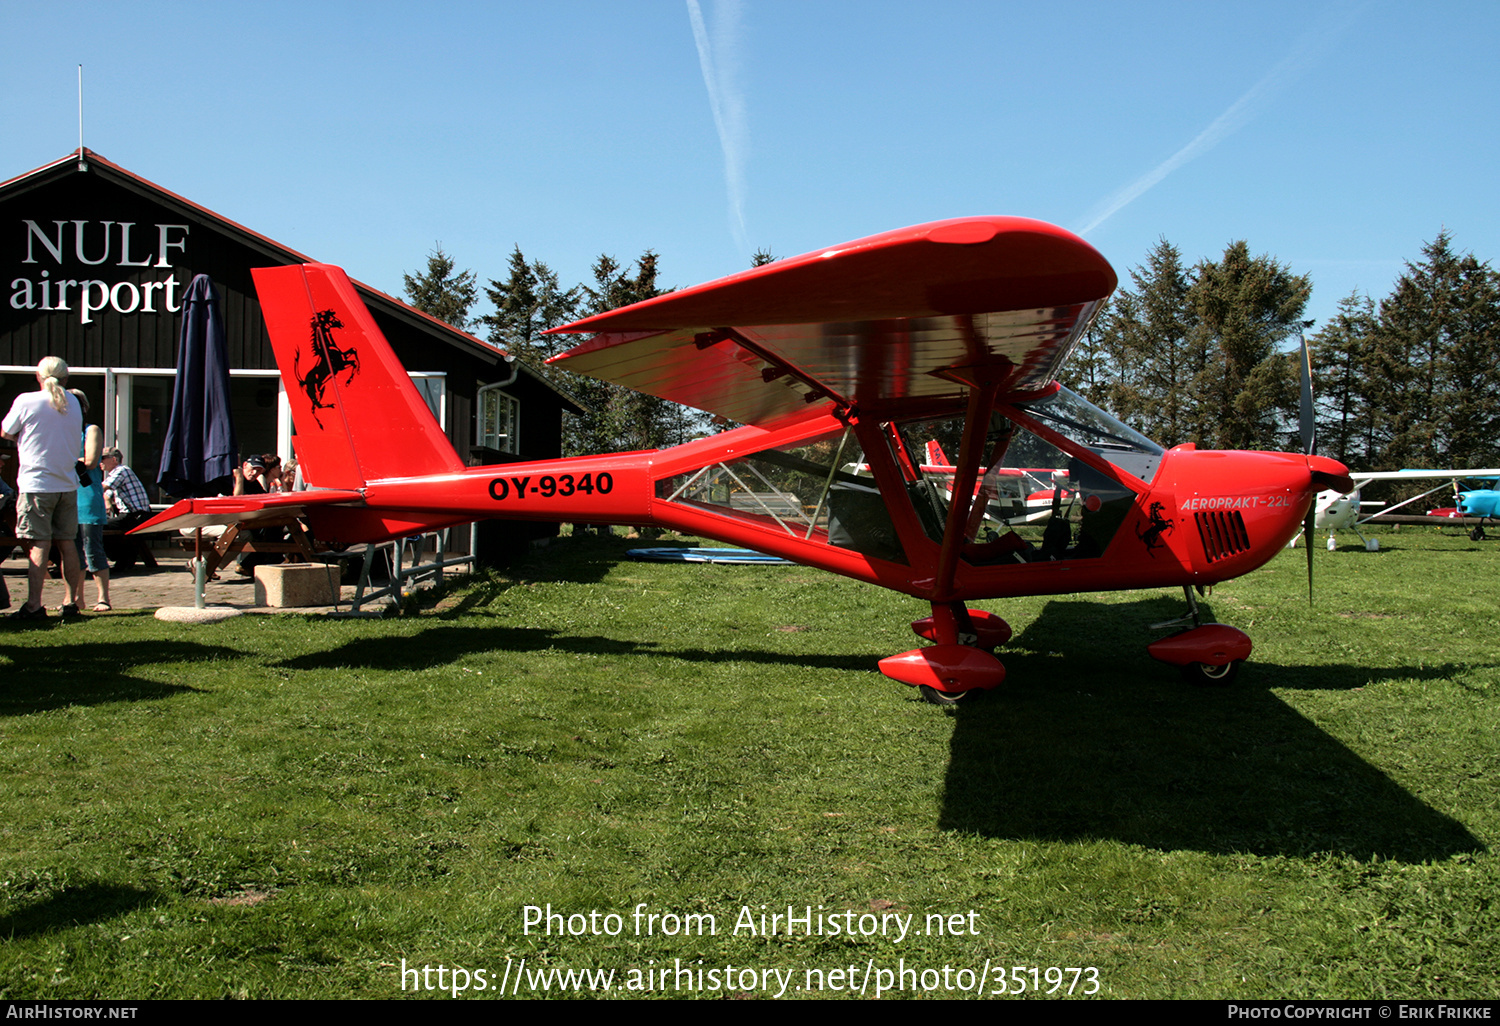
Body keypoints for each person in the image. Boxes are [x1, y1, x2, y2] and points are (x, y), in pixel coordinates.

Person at [2, 357, 84, 620]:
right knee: (67, 543)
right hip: (67, 484)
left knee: (39, 545)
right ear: (66, 378)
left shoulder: (26, 400)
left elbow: (5, 431)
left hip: (36, 484)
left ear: (38, 377)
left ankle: (34, 605)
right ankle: (71, 602)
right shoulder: (74, 402)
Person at [70, 390, 110, 612]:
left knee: (92, 549)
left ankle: (103, 598)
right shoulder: (62, 432)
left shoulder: (90, 430)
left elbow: (92, 461)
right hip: (65, 498)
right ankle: (76, 599)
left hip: (86, 499)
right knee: (71, 552)